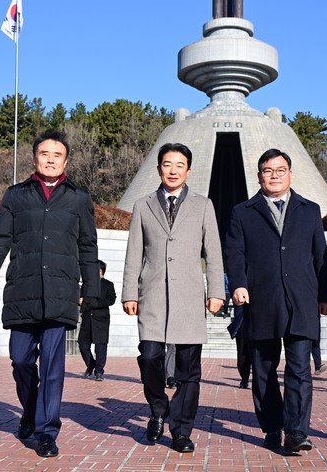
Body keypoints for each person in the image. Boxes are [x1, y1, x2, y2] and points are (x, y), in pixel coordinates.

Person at [0, 130, 100, 458]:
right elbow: (0, 239)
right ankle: (30, 412)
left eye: (57, 155)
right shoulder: (16, 196)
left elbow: (88, 245)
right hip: (23, 291)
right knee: (20, 360)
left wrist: (92, 288)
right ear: (35, 158)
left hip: (60, 293)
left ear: (66, 161)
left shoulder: (78, 198)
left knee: (52, 369)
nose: (51, 160)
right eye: (45, 154)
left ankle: (46, 432)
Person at [224, 148, 327, 453]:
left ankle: (297, 431)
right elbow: (234, 252)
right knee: (263, 369)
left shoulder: (310, 210)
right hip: (261, 299)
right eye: (268, 171)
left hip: (302, 300)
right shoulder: (243, 212)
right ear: (259, 176)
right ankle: (273, 426)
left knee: (300, 369)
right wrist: (238, 284)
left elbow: (320, 255)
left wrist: (325, 294)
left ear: (290, 174)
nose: (274, 176)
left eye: (280, 170)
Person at [121, 143, 225, 453]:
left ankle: (181, 431)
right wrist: (129, 292)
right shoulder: (142, 205)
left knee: (188, 370)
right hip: (152, 295)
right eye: (167, 164)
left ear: (189, 170)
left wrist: (216, 291)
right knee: (149, 356)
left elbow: (214, 252)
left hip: (189, 297)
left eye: (180, 165)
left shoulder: (203, 205)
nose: (173, 170)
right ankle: (158, 408)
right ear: (158, 169)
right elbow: (133, 253)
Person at [78, 260, 116, 381]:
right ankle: (91, 364)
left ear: (101, 271)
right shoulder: (86, 285)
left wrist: (94, 304)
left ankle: (99, 371)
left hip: (101, 319)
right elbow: (80, 299)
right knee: (83, 344)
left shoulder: (108, 285)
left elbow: (111, 299)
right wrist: (80, 301)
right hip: (87, 318)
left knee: (100, 346)